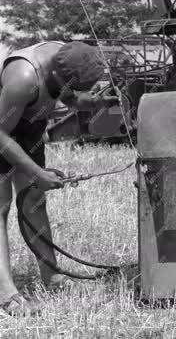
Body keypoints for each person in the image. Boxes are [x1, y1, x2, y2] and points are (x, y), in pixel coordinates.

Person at [0, 41, 119, 316]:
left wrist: (94, 102)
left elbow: (67, 96)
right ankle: (7, 295)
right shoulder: (24, 78)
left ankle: (52, 278)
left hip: (27, 127)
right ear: (55, 75)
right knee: (2, 207)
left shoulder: (66, 57)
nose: (73, 93)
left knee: (34, 202)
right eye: (73, 87)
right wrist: (37, 173)